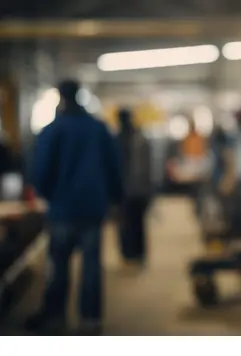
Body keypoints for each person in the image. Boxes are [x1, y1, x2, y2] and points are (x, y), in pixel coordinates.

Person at [27, 79, 122, 335]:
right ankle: (90, 320)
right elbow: (114, 166)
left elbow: (41, 170)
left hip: (62, 209)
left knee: (58, 265)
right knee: (91, 264)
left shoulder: (53, 130)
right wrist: (114, 198)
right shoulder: (98, 129)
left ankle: (56, 316)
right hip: (93, 207)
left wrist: (48, 195)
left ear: (60, 97)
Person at [116, 108, 154, 267]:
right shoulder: (139, 138)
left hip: (128, 190)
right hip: (136, 189)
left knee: (128, 224)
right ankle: (135, 253)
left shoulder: (118, 139)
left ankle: (132, 253)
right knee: (135, 223)